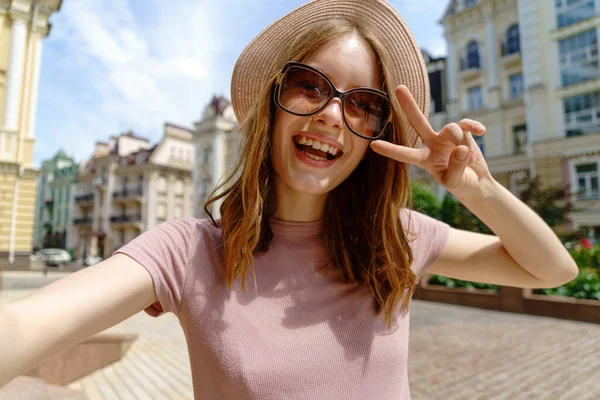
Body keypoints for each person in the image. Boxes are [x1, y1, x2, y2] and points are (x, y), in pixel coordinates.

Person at [0, 0, 578, 398]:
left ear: (374, 132)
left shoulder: (394, 236)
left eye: (361, 103)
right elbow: (24, 327)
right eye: (311, 86)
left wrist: (479, 189)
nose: (332, 113)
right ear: (274, 103)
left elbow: (552, 269)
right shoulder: (190, 251)